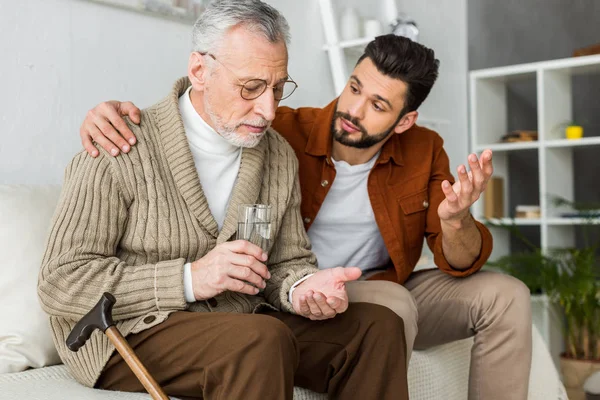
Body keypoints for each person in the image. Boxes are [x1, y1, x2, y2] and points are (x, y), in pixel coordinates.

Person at [80, 18, 533, 400]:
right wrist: (114, 111)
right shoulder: (280, 132)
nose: (353, 109)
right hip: (278, 299)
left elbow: (458, 259)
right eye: (354, 87)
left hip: (344, 286)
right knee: (376, 310)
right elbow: (194, 114)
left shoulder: (419, 148)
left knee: (500, 295)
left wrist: (455, 220)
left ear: (405, 121)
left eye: (378, 105)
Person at [38, 1, 410, 399]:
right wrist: (188, 280)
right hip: (130, 331)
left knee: (378, 326)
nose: (268, 109)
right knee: (260, 339)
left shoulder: (277, 155)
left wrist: (302, 289)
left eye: (278, 89)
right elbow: (60, 281)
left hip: (238, 322)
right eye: (250, 87)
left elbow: (286, 262)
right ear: (199, 71)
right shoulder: (120, 145)